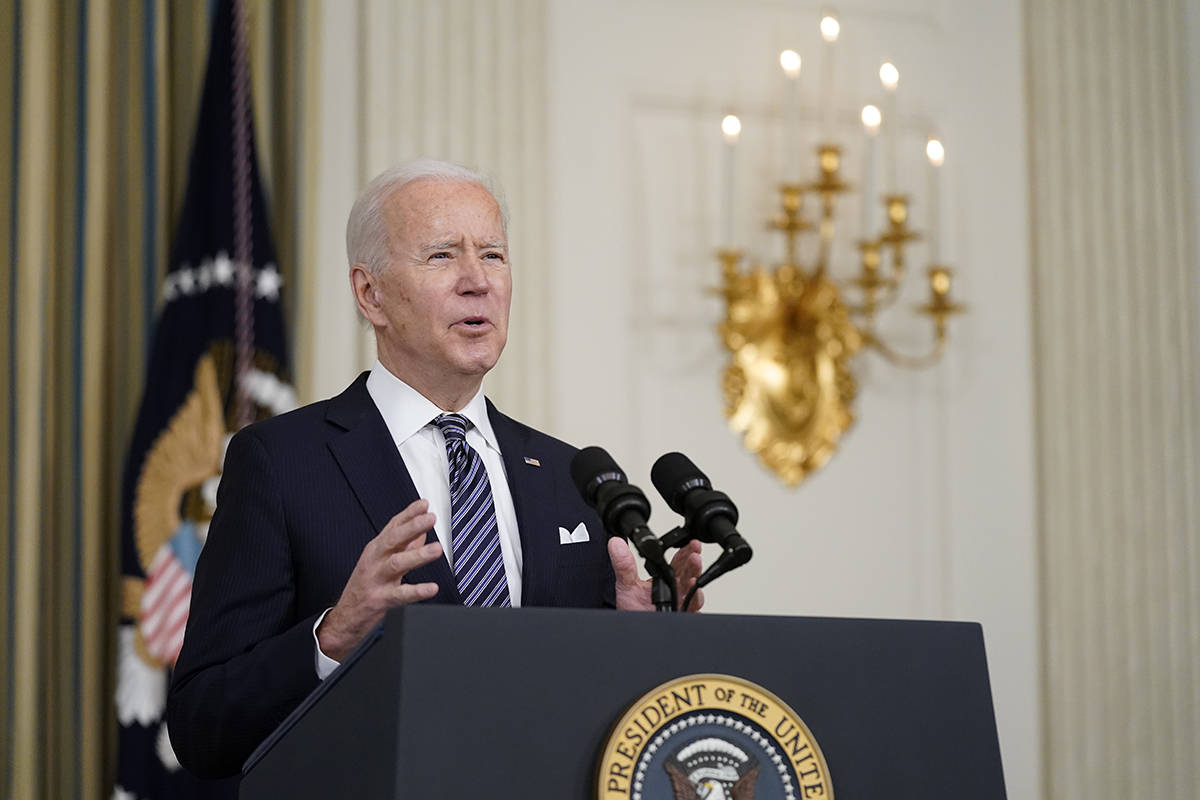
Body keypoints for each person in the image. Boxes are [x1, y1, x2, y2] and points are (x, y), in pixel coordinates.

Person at [166, 159, 703, 779]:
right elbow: (201, 724)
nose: (478, 281)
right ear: (370, 294)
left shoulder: (569, 475)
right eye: (443, 256)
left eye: (494, 256)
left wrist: (643, 643)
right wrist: (332, 637)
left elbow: (592, 720)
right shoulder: (281, 462)